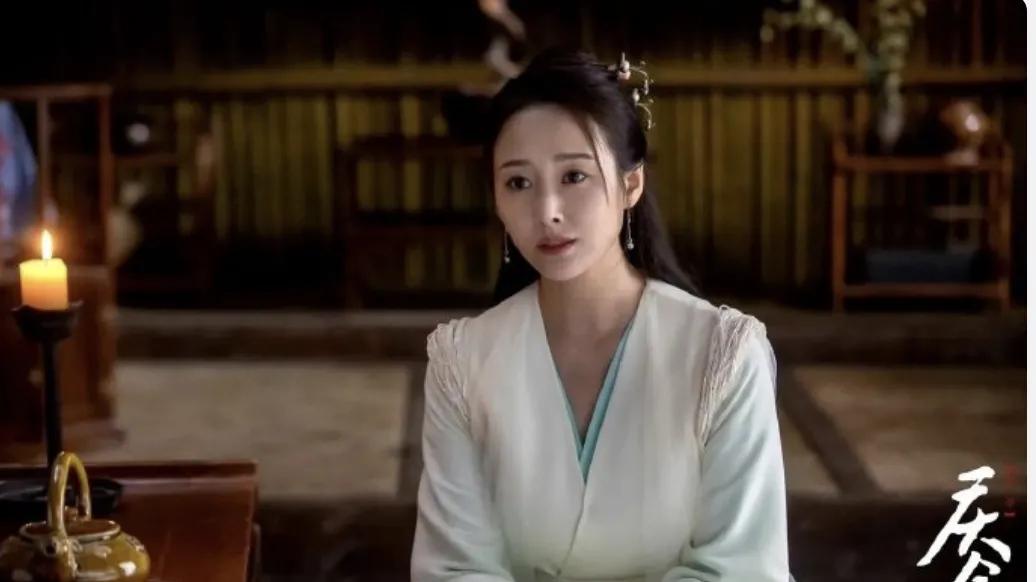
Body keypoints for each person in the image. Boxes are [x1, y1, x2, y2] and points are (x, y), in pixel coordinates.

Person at [411, 48, 790, 582]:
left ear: (630, 184)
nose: (547, 211)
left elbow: (745, 569)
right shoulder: (462, 362)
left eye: (574, 176)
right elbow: (453, 569)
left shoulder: (723, 354)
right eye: (518, 182)